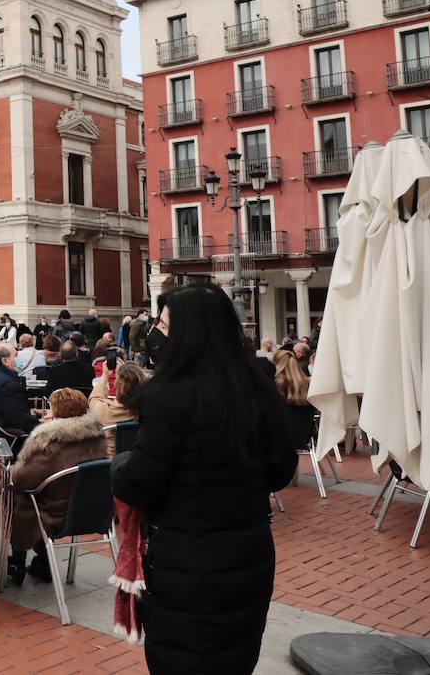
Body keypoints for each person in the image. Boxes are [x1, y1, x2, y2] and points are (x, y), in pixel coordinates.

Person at [111, 282, 297, 675]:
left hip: (188, 560)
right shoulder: (257, 386)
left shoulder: (167, 395)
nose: (159, 334)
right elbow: (281, 470)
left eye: (164, 325)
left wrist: (120, 466)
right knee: (235, 657)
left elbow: (141, 479)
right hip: (249, 552)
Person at [9, 387, 108, 583]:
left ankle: (17, 562)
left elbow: (21, 478)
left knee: (18, 497)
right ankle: (43, 562)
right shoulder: (97, 437)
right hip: (91, 510)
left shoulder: (52, 442)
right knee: (47, 492)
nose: (47, 413)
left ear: (59, 413)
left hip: (56, 514)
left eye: (51, 409)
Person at [89, 361, 144, 454]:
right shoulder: (149, 408)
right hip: (141, 456)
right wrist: (125, 372)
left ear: (116, 386)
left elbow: (94, 398)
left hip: (113, 461)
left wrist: (104, 377)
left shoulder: (107, 411)